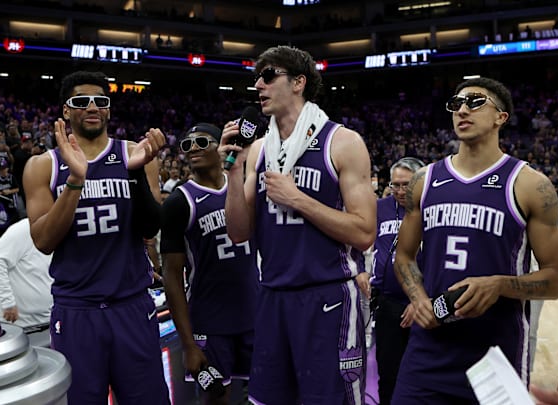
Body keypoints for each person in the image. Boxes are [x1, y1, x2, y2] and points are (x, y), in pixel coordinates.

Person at [392, 77, 558, 403]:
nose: (462, 109)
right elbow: (404, 256)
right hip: (428, 349)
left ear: (501, 117)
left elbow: (555, 280)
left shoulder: (530, 185)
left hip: (496, 352)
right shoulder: (424, 180)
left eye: (474, 102)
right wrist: (418, 298)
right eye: (456, 104)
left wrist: (500, 285)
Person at [219, 45, 376, 405]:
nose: (259, 84)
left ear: (298, 83)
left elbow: (365, 233)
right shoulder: (258, 150)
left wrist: (298, 200)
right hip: (273, 296)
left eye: (269, 76)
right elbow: (239, 231)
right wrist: (232, 171)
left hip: (328, 297)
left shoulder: (343, 142)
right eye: (257, 77)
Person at [22, 70, 168, 404]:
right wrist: (75, 180)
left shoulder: (135, 154)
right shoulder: (43, 166)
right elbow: (44, 241)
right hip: (78, 308)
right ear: (65, 111)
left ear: (109, 110)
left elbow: (149, 229)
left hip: (131, 303)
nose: (92, 106)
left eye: (100, 101)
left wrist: (136, 174)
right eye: (81, 101)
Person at [161, 123, 258, 404]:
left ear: (221, 146)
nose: (193, 149)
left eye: (201, 142)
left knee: (264, 394)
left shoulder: (245, 188)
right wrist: (188, 344)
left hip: (254, 314)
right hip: (210, 323)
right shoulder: (179, 202)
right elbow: (172, 276)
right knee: (215, 398)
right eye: (186, 145)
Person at [369, 156, 425, 405]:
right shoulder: (378, 207)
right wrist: (362, 270)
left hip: (423, 305)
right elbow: (359, 243)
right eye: (395, 185)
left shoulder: (431, 209)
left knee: (421, 375)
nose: (400, 191)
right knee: (388, 374)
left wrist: (420, 300)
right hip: (387, 303)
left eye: (406, 185)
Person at [0, 218, 53, 328]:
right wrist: (8, 302)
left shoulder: (65, 233)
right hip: (7, 322)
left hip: (43, 321)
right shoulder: (25, 228)